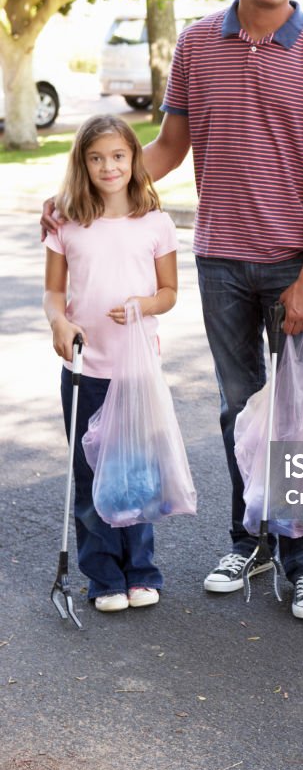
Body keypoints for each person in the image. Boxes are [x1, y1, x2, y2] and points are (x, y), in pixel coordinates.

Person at [44, 0, 303, 619]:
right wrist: (86, 190)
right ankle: (251, 537)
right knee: (238, 408)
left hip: (290, 260)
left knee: (298, 415)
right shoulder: (197, 45)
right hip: (218, 258)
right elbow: (170, 149)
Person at [44, 114, 178, 612]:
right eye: (96, 157)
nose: (108, 166)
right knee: (91, 474)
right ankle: (103, 577)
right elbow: (54, 292)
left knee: (136, 475)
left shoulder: (155, 222)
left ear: (133, 159)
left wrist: (143, 305)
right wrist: (59, 322)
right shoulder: (66, 220)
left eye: (118, 156)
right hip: (85, 370)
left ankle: (142, 571)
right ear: (82, 162)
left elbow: (168, 293)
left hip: (136, 372)